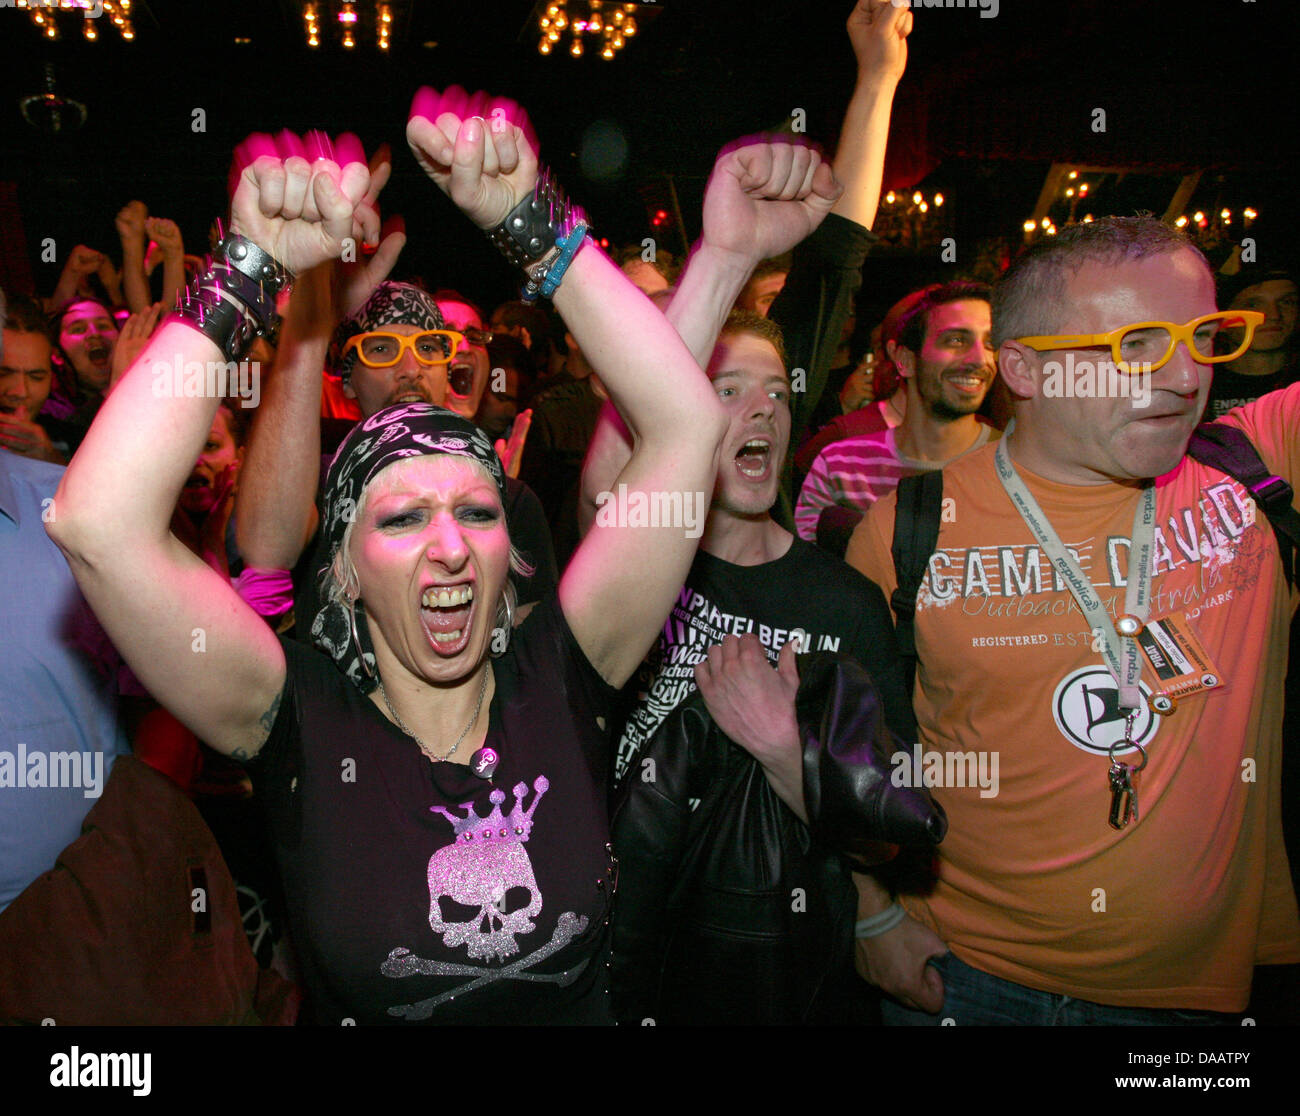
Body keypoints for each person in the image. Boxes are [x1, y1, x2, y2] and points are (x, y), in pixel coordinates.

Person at [46, 90, 747, 1023]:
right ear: (343, 569)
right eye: (403, 519)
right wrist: (247, 272)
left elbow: (687, 423)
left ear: (512, 549)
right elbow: (96, 521)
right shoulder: (290, 713)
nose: (451, 545)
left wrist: (526, 215)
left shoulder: (568, 668)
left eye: (476, 511)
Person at [845, 215, 1300, 1024]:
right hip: (963, 979)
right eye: (1136, 347)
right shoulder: (904, 532)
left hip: (1186, 1003)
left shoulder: (1254, 468)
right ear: (1021, 368)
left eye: (1202, 336)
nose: (1186, 375)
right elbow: (849, 760)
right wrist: (872, 915)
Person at [0, 286, 131, 915]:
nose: (16, 391)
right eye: (5, 373)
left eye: (30, 374)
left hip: (79, 922)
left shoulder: (66, 503)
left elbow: (167, 688)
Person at [796, 280, 997, 545]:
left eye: (991, 343)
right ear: (905, 361)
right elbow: (806, 578)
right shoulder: (841, 468)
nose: (979, 359)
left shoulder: (1020, 466)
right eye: (957, 340)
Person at [1203, 267, 1298, 420]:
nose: (1273, 315)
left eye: (1287, 302)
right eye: (1253, 305)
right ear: (1220, 320)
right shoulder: (1196, 382)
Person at [0, 296, 64, 464]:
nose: (20, 392)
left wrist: (49, 463)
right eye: (3, 374)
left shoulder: (71, 439)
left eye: (36, 377)